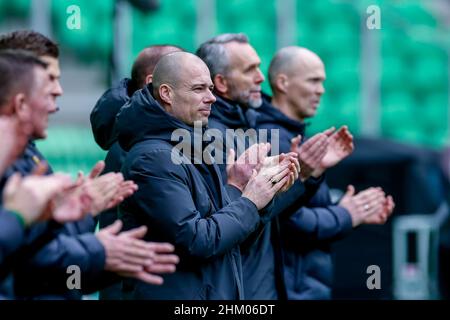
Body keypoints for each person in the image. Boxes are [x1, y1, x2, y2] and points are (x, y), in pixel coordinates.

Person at [0, 31, 179, 299]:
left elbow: (51, 261)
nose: (58, 90)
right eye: (49, 79)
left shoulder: (29, 157)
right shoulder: (138, 150)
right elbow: (28, 263)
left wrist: (86, 219)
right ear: (20, 95)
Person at [116, 51, 293, 299]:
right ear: (166, 93)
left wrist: (251, 187)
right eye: (199, 89)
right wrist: (251, 200)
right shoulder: (153, 158)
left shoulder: (194, 145)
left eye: (210, 88)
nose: (211, 98)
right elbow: (196, 240)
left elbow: (229, 239)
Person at [197, 33, 331, 299]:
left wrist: (303, 176)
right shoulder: (211, 138)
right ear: (221, 83)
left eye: (259, 67)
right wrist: (303, 176)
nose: (261, 77)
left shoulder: (244, 127)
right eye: (250, 70)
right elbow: (231, 225)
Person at [258, 45, 395, 299]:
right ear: (282, 83)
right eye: (313, 81)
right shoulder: (270, 140)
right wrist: (346, 214)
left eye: (322, 82)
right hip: (289, 289)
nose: (321, 90)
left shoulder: (292, 136)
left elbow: (298, 207)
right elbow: (285, 221)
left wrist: (349, 209)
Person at [90, 44, 183, 229]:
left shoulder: (163, 136)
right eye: (186, 76)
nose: (208, 95)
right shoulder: (134, 148)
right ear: (153, 83)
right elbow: (186, 230)